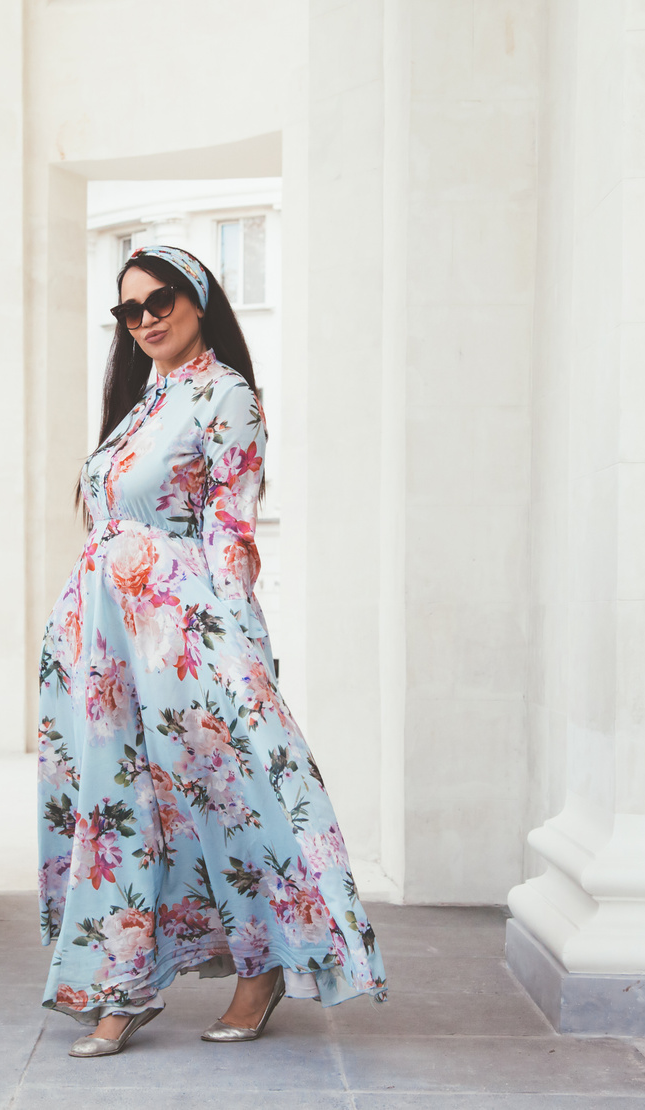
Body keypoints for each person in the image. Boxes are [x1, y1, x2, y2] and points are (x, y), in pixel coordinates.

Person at [36, 244, 388, 1058]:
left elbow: (231, 526)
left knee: (226, 799)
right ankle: (121, 985)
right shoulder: (144, 402)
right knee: (121, 808)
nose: (146, 319)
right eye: (129, 310)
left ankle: (260, 971)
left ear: (199, 301)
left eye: (160, 300)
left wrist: (244, 648)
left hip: (179, 641)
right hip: (108, 652)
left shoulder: (226, 397)